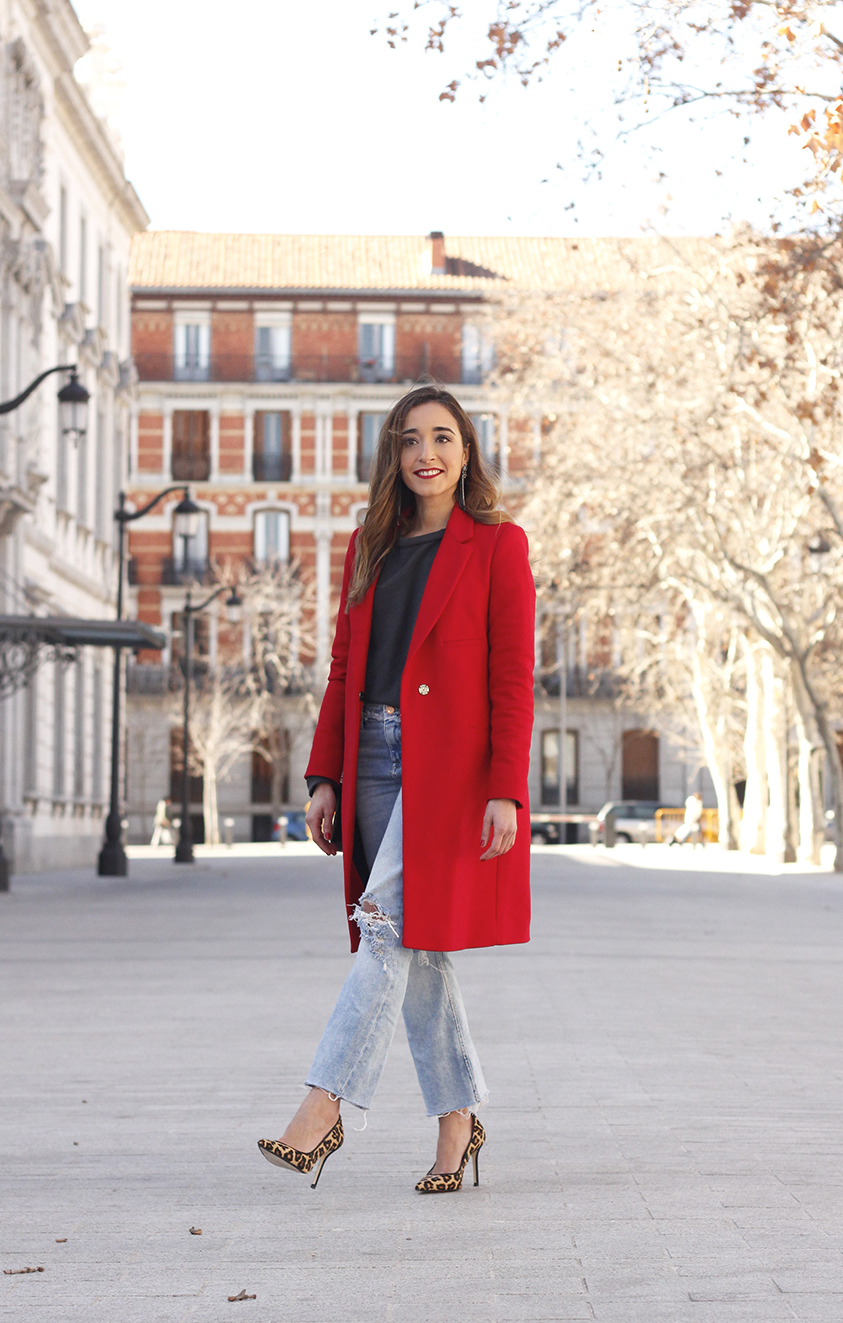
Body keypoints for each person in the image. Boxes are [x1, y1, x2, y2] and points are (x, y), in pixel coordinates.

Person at [258, 385, 536, 1194]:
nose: (427, 453)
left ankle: (325, 1107)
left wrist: (504, 790)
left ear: (467, 451)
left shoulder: (497, 545)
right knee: (416, 948)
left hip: (449, 769)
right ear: (393, 453)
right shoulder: (367, 548)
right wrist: (323, 773)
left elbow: (513, 679)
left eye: (443, 437)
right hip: (373, 756)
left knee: (384, 929)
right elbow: (345, 667)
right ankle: (459, 1122)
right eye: (411, 438)